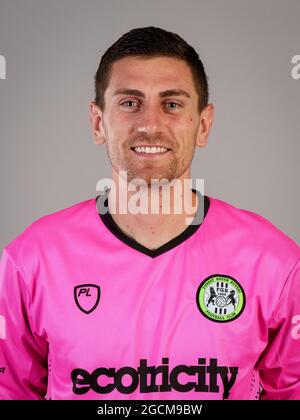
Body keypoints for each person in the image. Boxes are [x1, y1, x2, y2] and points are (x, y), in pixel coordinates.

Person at [0, 26, 299, 400]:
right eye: (129, 103)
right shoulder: (30, 260)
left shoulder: (274, 262)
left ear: (203, 125)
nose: (150, 125)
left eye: (172, 104)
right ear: (98, 122)